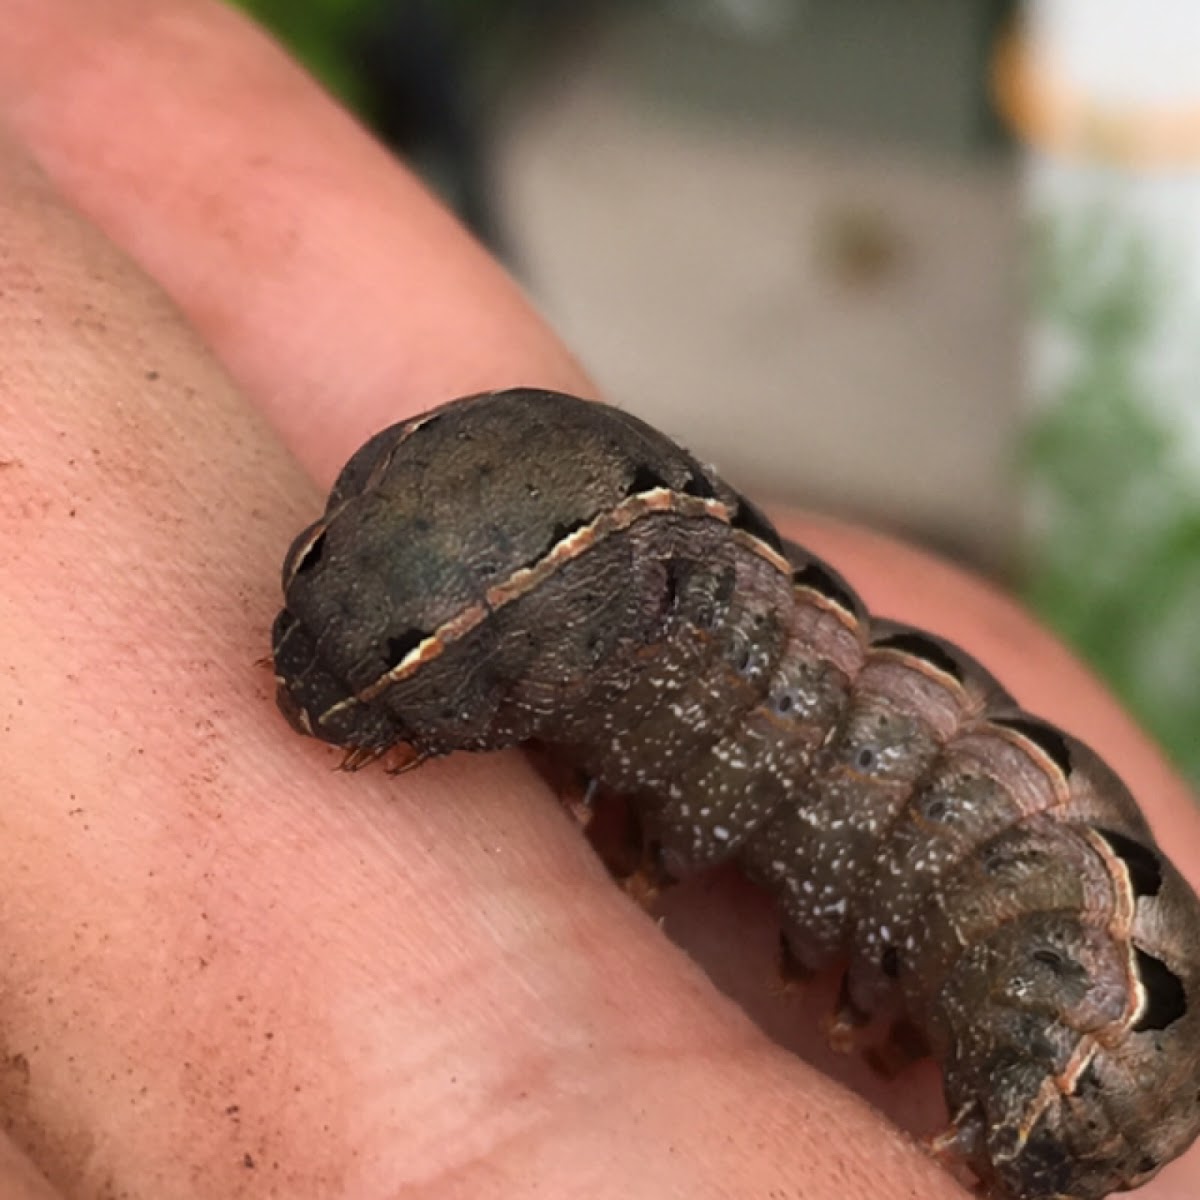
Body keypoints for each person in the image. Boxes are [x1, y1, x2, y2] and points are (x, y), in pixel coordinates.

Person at [2, 3, 1197, 1197]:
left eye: (425, 658)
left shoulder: (1026, 929)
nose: (328, 699)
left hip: (1088, 1010)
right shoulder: (666, 604)